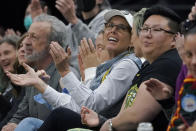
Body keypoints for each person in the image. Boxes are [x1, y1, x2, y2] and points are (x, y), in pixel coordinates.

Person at [7, 9, 142, 131]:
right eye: (110, 25)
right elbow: (75, 106)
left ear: (132, 40)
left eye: (121, 27)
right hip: (89, 122)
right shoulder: (109, 66)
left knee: (56, 116)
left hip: (104, 126)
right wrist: (39, 84)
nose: (113, 30)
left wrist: (67, 72)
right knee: (35, 121)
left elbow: (90, 106)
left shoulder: (127, 64)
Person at [80, 5, 182, 131]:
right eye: (145, 29)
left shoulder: (166, 64)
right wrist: (102, 121)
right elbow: (127, 115)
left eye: (156, 30)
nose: (147, 35)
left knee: (62, 117)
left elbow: (134, 118)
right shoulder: (149, 64)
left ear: (174, 38)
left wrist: (108, 125)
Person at [1, 14, 72, 131]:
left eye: (34, 37)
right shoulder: (33, 73)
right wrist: (12, 124)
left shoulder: (66, 75)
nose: (26, 42)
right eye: (27, 35)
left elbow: (64, 119)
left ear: (53, 45)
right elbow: (21, 113)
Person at [0, 35, 25, 129]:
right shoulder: (8, 86)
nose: (2, 58)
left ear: (20, 52)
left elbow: (17, 114)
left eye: (6, 53)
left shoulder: (28, 82)